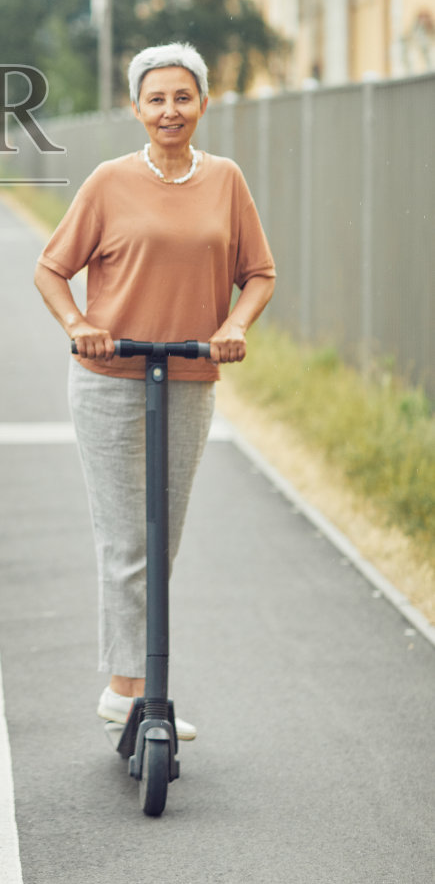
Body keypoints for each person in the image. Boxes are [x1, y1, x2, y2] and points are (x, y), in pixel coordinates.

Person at [33, 42, 275, 738]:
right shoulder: (108, 181)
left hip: (190, 373)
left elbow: (257, 272)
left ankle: (140, 686)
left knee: (161, 538)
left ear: (202, 104)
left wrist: (232, 324)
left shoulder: (225, 180)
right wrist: (79, 324)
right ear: (135, 108)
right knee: (124, 538)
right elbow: (51, 270)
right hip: (110, 379)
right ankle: (130, 688)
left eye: (181, 97)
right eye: (155, 99)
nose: (169, 110)